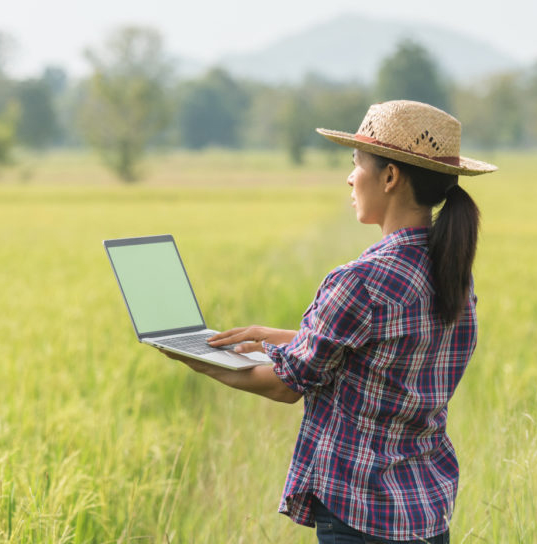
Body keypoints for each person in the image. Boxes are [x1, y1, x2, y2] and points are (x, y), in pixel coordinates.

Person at [159, 100, 497, 543]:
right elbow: (377, 349)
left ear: (390, 176)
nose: (350, 177)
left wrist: (199, 358)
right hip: (425, 511)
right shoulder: (452, 272)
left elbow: (286, 385)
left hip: (361, 514)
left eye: (356, 163)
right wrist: (270, 336)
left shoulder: (361, 280)